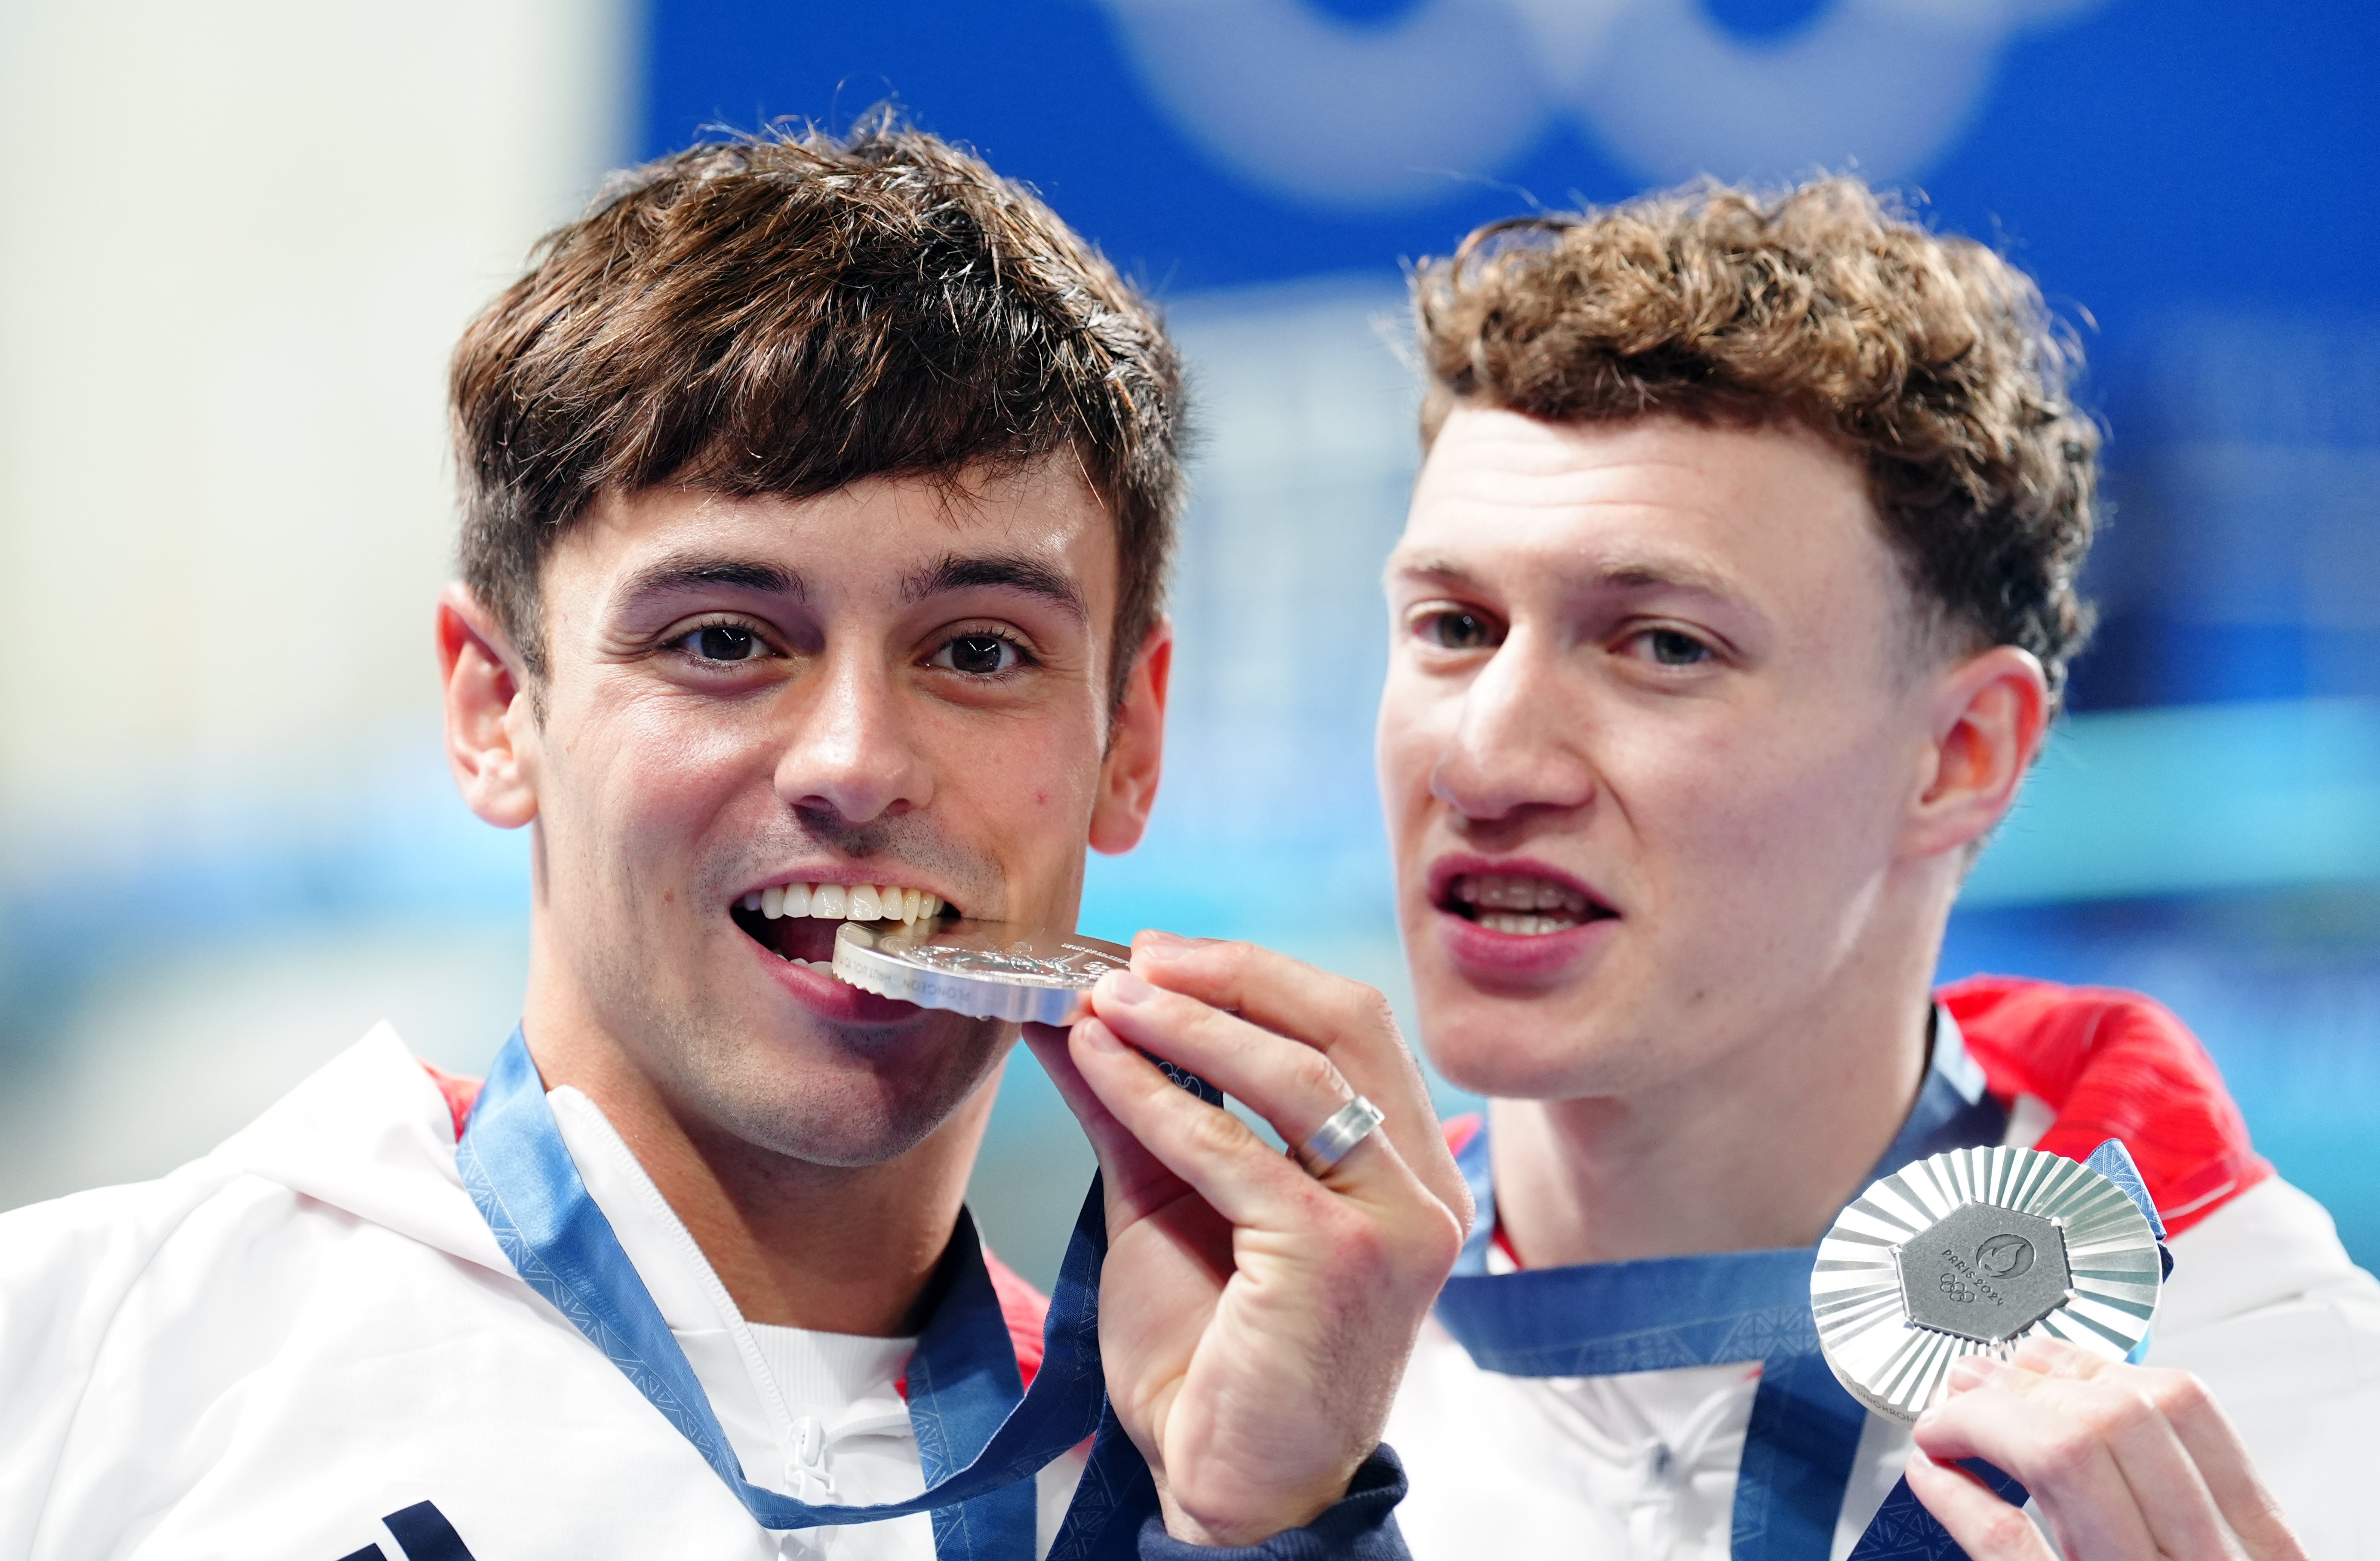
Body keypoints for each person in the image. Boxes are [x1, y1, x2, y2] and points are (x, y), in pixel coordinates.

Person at [0, 123, 1467, 1561]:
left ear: (1129, 741)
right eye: (722, 639)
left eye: (977, 651)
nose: (855, 764)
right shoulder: (89, 1362)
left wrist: (1271, 1527)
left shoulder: (1191, 1461)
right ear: (496, 706)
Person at [1338, 179, 2380, 1559]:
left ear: (1961, 754)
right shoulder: (1233, 1393)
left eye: (1665, 645)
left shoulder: (2323, 1431)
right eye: (1453, 626)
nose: (1484, 763)